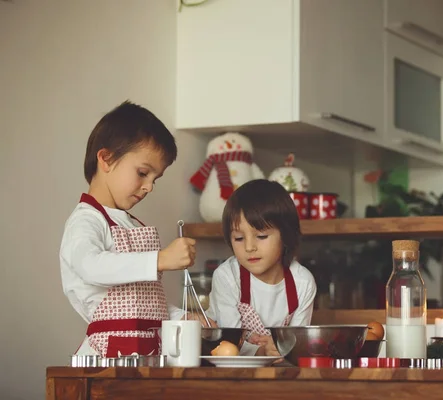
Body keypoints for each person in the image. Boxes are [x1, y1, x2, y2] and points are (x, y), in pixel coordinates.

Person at [60, 101, 199, 358]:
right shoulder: (86, 220)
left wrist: (183, 317)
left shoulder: (132, 224)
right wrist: (159, 259)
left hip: (149, 352)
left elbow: (143, 303)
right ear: (107, 158)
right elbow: (91, 266)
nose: (149, 187)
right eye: (143, 173)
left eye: (155, 179)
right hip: (108, 355)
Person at [206, 179, 317, 356]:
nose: (249, 247)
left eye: (262, 236)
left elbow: (296, 344)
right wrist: (262, 351)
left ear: (286, 235)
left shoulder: (302, 282)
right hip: (228, 371)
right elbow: (230, 345)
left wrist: (280, 347)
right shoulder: (228, 277)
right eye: (239, 239)